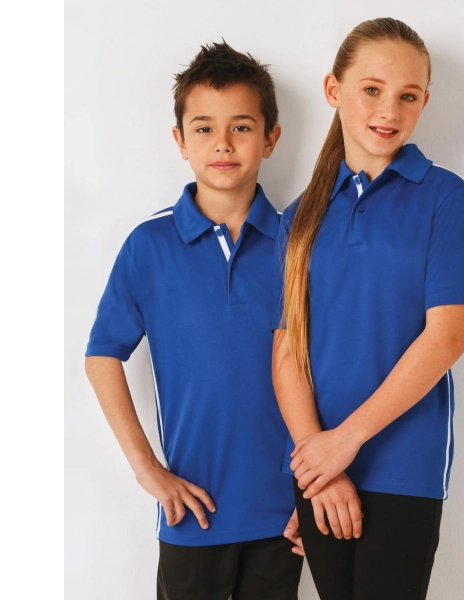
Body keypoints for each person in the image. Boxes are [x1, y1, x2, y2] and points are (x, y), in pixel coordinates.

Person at [272, 17, 464, 600]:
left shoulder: (445, 198)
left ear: (425, 102)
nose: (389, 110)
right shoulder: (298, 218)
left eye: (408, 96)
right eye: (372, 89)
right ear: (333, 89)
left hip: (403, 466)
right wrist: (317, 462)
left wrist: (344, 442)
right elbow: (288, 349)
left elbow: (446, 338)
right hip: (317, 466)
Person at [85, 41, 305, 600]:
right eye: (204, 128)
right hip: (192, 510)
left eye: (242, 127)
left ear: (271, 138)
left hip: (283, 512)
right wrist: (146, 469)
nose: (223, 143)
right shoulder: (149, 246)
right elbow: (102, 355)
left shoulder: (299, 248)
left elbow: (324, 369)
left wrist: (315, 486)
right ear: (180, 140)